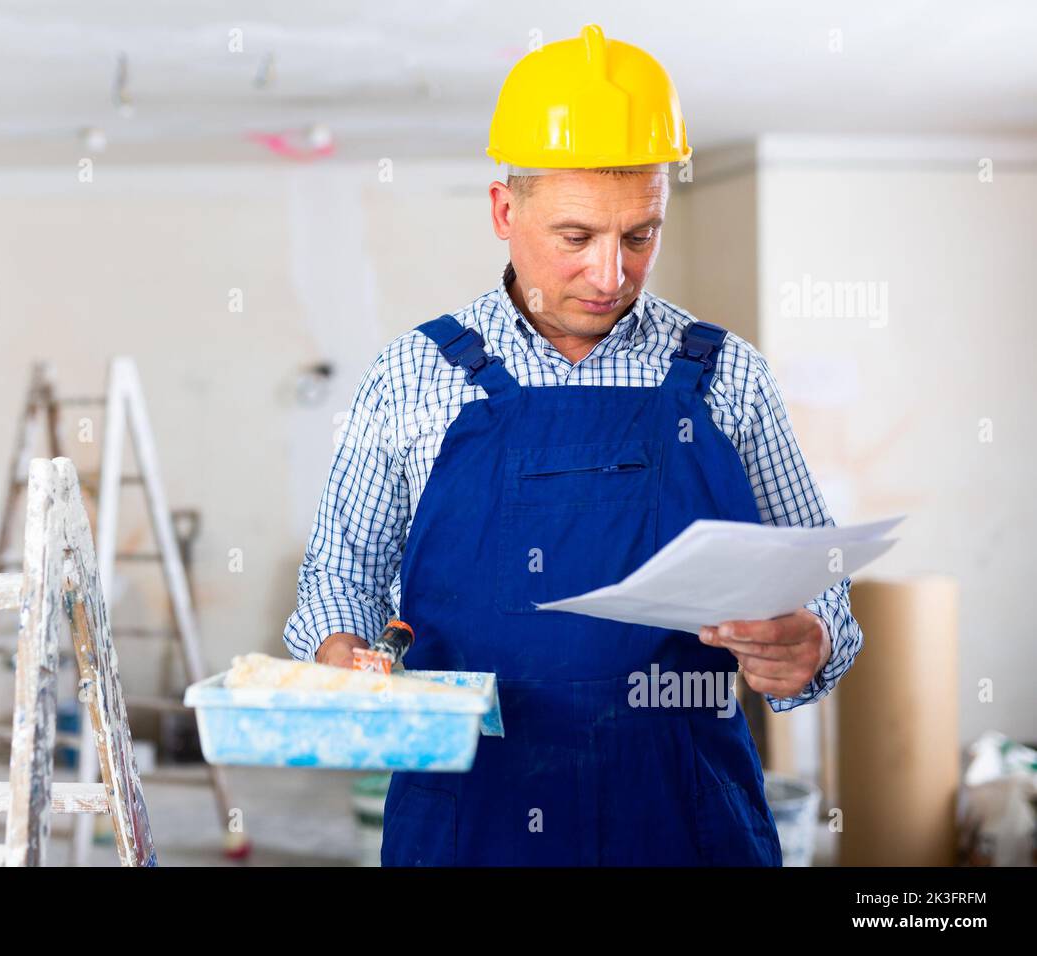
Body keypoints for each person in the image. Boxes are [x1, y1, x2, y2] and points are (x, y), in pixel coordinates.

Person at [284, 24, 860, 866]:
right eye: (576, 237)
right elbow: (341, 575)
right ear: (503, 210)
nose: (610, 274)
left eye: (640, 236)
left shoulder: (727, 376)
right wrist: (341, 650)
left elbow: (822, 583)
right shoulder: (412, 376)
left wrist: (813, 641)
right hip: (470, 818)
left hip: (685, 816)